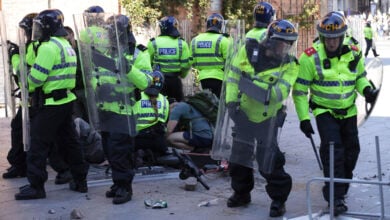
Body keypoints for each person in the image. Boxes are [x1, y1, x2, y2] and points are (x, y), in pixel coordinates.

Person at [292, 12, 379, 216]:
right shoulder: (309, 57)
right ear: (322, 37)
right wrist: (304, 119)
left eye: (336, 38)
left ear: (342, 36)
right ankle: (335, 197)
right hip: (324, 112)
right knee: (333, 152)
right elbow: (299, 92)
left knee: (352, 151)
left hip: (349, 111)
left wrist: (367, 90)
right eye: (328, 38)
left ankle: (341, 185)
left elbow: (359, 77)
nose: (332, 42)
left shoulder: (354, 52)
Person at [223, 20, 299, 217]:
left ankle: (278, 200)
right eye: (283, 43)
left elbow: (278, 93)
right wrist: (231, 103)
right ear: (271, 41)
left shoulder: (290, 65)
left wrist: (249, 86)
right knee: (239, 158)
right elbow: (232, 77)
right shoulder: (247, 51)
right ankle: (241, 193)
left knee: (269, 160)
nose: (286, 48)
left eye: (289, 44)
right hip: (243, 114)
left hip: (268, 118)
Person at [14, 9, 89, 200]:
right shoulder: (65, 44)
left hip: (50, 104)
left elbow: (36, 80)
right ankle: (80, 180)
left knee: (37, 144)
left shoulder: (48, 48)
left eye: (39, 27)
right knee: (70, 142)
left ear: (47, 27)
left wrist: (24, 77)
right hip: (65, 101)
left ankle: (36, 186)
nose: (36, 30)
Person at [88, 14, 152, 205]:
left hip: (124, 112)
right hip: (105, 109)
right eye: (109, 31)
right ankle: (117, 184)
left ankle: (125, 187)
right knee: (109, 150)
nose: (111, 35)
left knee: (120, 152)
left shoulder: (138, 54)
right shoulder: (105, 51)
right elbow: (95, 74)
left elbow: (146, 83)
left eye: (115, 31)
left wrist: (129, 69)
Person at [3, 12, 38, 179]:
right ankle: (19, 164)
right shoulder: (34, 45)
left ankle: (22, 166)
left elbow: (23, 71)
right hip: (30, 98)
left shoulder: (36, 47)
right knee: (19, 129)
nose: (23, 34)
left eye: (25, 30)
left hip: (36, 99)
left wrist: (15, 57)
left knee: (23, 132)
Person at [147, 16, 191, 102]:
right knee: (178, 106)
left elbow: (148, 63)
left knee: (160, 105)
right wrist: (182, 75)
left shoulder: (153, 43)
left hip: (157, 80)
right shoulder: (182, 43)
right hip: (175, 81)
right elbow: (185, 65)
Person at [190, 13, 230, 98]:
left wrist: (196, 83)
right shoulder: (224, 40)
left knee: (204, 106)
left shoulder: (195, 40)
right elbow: (229, 63)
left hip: (201, 80)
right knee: (217, 107)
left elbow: (192, 63)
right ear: (221, 26)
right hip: (219, 80)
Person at [134, 70, 170, 162]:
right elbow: (164, 121)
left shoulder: (137, 96)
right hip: (158, 141)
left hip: (138, 140)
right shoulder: (165, 100)